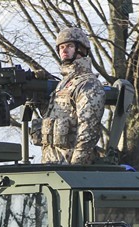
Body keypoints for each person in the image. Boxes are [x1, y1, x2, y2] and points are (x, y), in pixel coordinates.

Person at [31, 27, 105, 166]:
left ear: (82, 49)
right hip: (51, 165)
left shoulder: (87, 84)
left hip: (69, 168)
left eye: (70, 46)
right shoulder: (62, 85)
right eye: (61, 47)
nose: (64, 50)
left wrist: (76, 168)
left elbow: (88, 130)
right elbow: (53, 118)